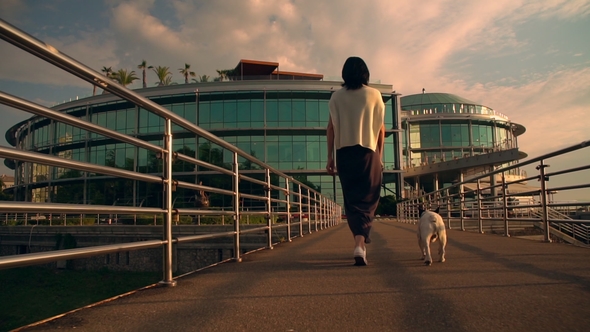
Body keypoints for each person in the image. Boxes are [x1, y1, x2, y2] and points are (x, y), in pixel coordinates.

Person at [326, 56, 385, 266]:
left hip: (344, 154)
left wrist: (330, 158)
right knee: (369, 198)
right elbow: (380, 129)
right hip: (368, 152)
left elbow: (331, 128)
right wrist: (380, 155)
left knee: (352, 201)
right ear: (365, 73)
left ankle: (359, 243)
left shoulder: (336, 97)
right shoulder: (374, 95)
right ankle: (360, 242)